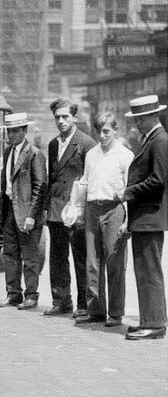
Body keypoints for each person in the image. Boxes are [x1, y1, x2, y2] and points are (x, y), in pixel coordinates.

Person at [75, 113, 133, 327]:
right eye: (98, 131)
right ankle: (96, 310)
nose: (102, 135)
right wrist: (77, 209)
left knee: (114, 261)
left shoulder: (125, 155)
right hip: (92, 208)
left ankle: (116, 312)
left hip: (114, 209)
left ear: (115, 130)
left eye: (106, 131)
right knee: (92, 262)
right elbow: (85, 182)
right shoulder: (91, 154)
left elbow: (129, 189)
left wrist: (128, 219)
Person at [119, 95, 167, 340]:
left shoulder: (159, 141)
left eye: (139, 118)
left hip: (150, 217)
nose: (136, 123)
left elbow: (158, 180)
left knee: (149, 272)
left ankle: (156, 324)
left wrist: (128, 192)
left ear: (152, 116)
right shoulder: (151, 139)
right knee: (145, 272)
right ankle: (150, 320)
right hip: (145, 218)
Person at [44, 98, 97, 317]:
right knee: (57, 258)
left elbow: (89, 180)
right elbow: (52, 179)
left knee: (80, 258)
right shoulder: (53, 144)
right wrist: (48, 208)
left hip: (76, 211)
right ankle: (61, 301)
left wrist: (83, 211)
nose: (61, 121)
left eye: (65, 116)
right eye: (57, 117)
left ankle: (84, 305)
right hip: (57, 210)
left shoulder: (87, 144)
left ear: (75, 117)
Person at [0, 113, 47, 310]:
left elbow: (40, 187)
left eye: (15, 131)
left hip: (26, 214)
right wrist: (0, 209)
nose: (11, 134)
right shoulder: (9, 152)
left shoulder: (34, 154)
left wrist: (32, 216)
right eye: (9, 131)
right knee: (10, 254)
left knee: (30, 257)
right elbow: (5, 182)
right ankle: (13, 293)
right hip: (10, 210)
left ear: (24, 131)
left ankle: (31, 295)